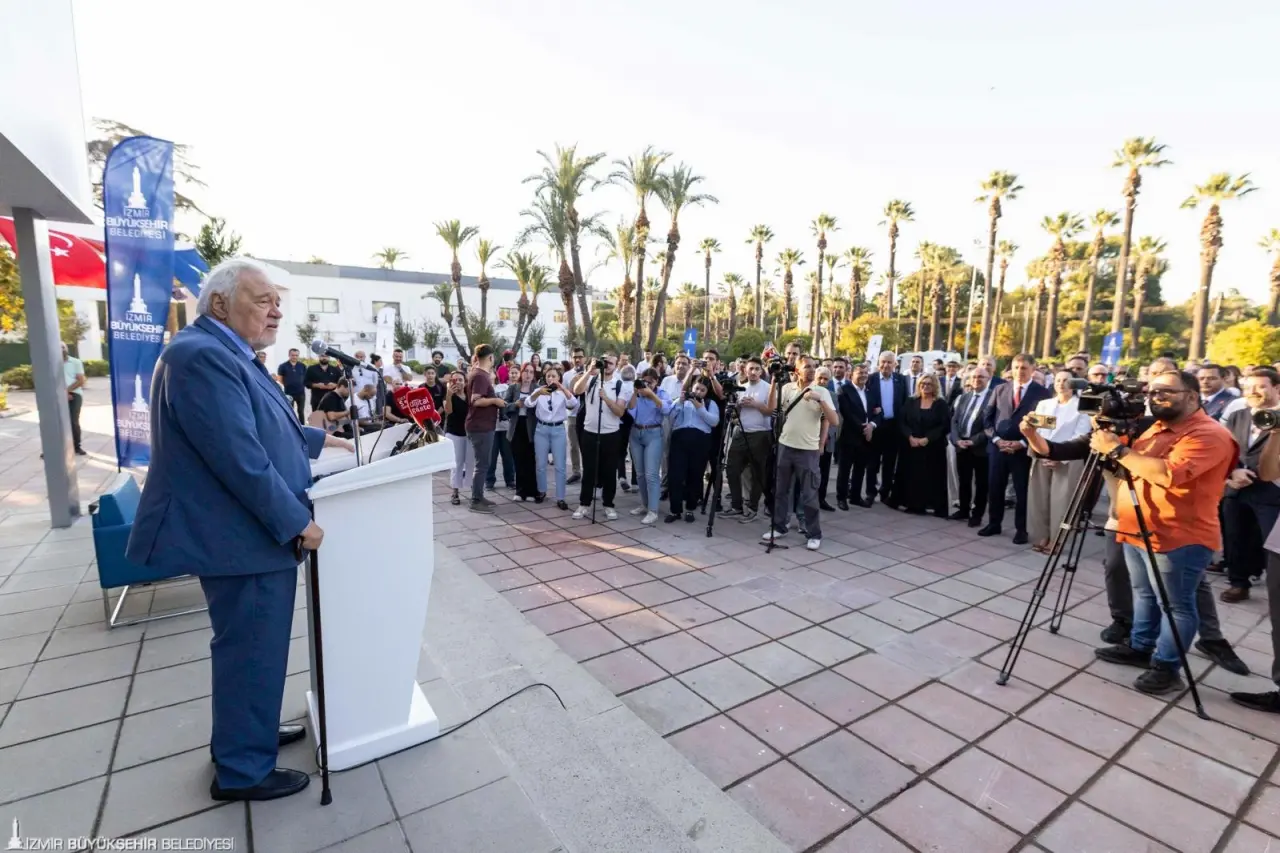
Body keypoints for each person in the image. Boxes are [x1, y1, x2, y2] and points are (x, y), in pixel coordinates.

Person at [126, 259, 353, 802]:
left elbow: (267, 421)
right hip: (242, 540)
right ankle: (243, 769)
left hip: (246, 537)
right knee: (250, 649)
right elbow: (239, 456)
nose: (276, 310)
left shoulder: (228, 354)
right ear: (222, 304)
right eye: (262, 300)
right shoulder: (200, 356)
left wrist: (328, 443)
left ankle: (246, 733)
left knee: (255, 649)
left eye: (278, 301)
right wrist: (296, 521)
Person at [1090, 369, 1239, 694]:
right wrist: (1112, 440)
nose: (1156, 397)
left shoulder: (1209, 434)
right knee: (1144, 595)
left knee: (1176, 606)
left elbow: (1168, 475)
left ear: (1191, 396)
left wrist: (1116, 449)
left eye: (1166, 392)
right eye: (1153, 391)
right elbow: (1133, 464)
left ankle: (1168, 667)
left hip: (1178, 536)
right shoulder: (1158, 427)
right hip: (1138, 527)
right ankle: (1141, 647)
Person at [763, 356, 838, 551]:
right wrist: (773, 383)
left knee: (809, 494)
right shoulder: (787, 388)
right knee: (781, 490)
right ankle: (779, 526)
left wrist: (819, 399)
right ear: (796, 370)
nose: (812, 370)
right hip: (785, 446)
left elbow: (834, 420)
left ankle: (814, 533)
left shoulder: (822, 391)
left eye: (814, 367)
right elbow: (771, 408)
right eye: (807, 367)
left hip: (808, 450)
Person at [1219, 368, 1280, 602]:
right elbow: (1226, 449)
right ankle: (1238, 583)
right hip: (1237, 489)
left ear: (1276, 388)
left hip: (1272, 492)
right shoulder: (1239, 415)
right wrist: (1233, 471)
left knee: (1271, 546)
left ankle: (1273, 587)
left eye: (1261, 386)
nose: (1253, 392)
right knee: (1235, 536)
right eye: (1249, 387)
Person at [979, 353, 1052, 544]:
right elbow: (987, 417)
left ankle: (1022, 529)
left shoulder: (1042, 393)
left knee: (1022, 492)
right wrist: (996, 439)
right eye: (1016, 367)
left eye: (1024, 368)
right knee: (995, 488)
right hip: (998, 448)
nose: (1019, 372)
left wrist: (1023, 443)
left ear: (1033, 369)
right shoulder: (1000, 389)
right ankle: (994, 523)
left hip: (1023, 450)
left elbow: (1044, 425)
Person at [1026, 370, 1091, 552]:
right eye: (1058, 380)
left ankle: (1058, 540)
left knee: (1061, 501)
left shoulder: (1082, 407)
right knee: (1039, 498)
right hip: (1042, 456)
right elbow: (1037, 430)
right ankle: (1041, 536)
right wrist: (1044, 453)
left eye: (1066, 380)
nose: (1061, 383)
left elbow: (1080, 435)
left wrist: (1059, 456)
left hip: (1068, 459)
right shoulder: (1044, 404)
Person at [571, 355, 632, 520]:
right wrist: (589, 371)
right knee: (589, 470)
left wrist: (606, 398)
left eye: (611, 363)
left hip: (611, 434)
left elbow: (620, 412)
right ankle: (584, 504)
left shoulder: (620, 385)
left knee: (609, 471)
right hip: (590, 432)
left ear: (616, 365)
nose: (607, 365)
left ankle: (608, 504)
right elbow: (576, 390)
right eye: (604, 362)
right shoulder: (591, 380)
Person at [889, 374, 951, 516]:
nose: (925, 386)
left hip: (932, 448)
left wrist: (927, 439)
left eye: (929, 384)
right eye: (923, 383)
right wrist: (910, 436)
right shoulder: (911, 401)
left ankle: (928, 505)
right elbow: (902, 421)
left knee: (929, 477)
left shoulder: (941, 404)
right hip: (911, 446)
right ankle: (910, 504)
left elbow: (944, 426)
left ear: (935, 386)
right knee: (910, 475)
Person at [725, 357, 775, 521]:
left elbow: (770, 412)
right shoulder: (741, 387)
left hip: (760, 433)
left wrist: (755, 404)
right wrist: (738, 406)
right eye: (750, 369)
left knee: (758, 473)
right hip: (741, 431)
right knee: (731, 468)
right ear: (745, 370)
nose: (753, 372)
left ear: (761, 371)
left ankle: (753, 508)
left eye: (756, 369)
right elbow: (734, 415)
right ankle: (736, 505)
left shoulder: (768, 388)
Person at [665, 376, 720, 523]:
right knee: (675, 476)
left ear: (706, 392)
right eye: (696, 388)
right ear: (691, 388)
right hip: (680, 439)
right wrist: (680, 403)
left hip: (700, 441)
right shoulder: (682, 400)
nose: (698, 392)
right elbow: (670, 418)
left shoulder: (709, 403)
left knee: (695, 475)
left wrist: (700, 408)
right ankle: (675, 510)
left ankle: (690, 508)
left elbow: (714, 421)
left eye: (702, 390)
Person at [628, 367, 672, 524]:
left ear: (656, 382)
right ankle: (645, 504)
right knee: (639, 473)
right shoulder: (638, 394)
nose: (646, 384)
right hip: (636, 433)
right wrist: (635, 391)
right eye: (644, 381)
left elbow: (666, 410)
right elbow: (631, 410)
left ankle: (653, 510)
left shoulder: (661, 394)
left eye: (650, 382)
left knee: (651, 474)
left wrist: (651, 394)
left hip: (654, 434)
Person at [950, 366, 993, 526]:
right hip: (962, 446)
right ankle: (963, 509)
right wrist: (956, 440)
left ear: (988, 379)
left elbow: (991, 426)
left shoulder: (992, 399)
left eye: (981, 377)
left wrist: (974, 440)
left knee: (981, 483)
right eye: (974, 377)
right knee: (964, 480)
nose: (977, 379)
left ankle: (977, 514)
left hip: (981, 448)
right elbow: (954, 421)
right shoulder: (963, 397)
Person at [531, 366, 577, 510]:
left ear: (559, 378)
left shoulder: (562, 393)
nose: (551, 379)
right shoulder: (540, 392)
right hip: (541, 429)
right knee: (540, 464)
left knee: (560, 465)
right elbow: (528, 403)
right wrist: (538, 392)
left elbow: (574, 403)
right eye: (548, 376)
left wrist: (562, 388)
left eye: (554, 376)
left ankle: (561, 497)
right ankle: (542, 491)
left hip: (558, 429)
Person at [465, 345, 504, 513]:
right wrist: (495, 401)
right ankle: (475, 500)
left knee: (483, 463)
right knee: (482, 465)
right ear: (490, 358)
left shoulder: (479, 374)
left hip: (482, 425)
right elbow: (476, 400)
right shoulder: (480, 376)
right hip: (480, 426)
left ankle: (479, 496)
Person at [835, 361, 879, 510]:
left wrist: (872, 425)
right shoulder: (844, 390)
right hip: (850, 435)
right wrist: (864, 427)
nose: (863, 376)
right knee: (845, 469)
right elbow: (847, 413)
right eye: (860, 373)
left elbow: (879, 411)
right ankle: (841, 498)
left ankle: (855, 496)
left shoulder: (870, 391)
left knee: (860, 468)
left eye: (865, 373)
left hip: (867, 438)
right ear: (851, 374)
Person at [869, 350, 908, 503]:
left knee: (890, 462)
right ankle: (870, 492)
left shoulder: (901, 380)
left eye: (889, 362)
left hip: (893, 426)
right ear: (879, 363)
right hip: (876, 426)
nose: (886, 365)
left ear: (895, 364)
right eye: (883, 362)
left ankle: (885, 492)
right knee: (872, 462)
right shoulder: (871, 379)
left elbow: (905, 402)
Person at [503, 363, 540, 501]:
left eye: (531, 372)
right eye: (526, 371)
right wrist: (515, 405)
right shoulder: (513, 388)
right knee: (518, 459)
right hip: (516, 426)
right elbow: (504, 406)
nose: (528, 374)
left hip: (531, 427)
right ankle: (520, 491)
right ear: (521, 373)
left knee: (530, 459)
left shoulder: (537, 388)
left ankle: (531, 491)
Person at [443, 371, 470, 505]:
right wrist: (449, 395)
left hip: (469, 433)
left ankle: (473, 490)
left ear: (465, 382)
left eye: (460, 380)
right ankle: (455, 492)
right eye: (455, 380)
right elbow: (448, 411)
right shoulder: (450, 396)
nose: (458, 383)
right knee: (457, 463)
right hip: (454, 433)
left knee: (470, 462)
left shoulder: (470, 395)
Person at [814, 366, 839, 511]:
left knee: (824, 472)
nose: (822, 381)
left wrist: (827, 437)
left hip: (827, 441)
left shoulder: (833, 396)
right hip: (808, 439)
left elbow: (835, 418)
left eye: (826, 379)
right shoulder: (807, 392)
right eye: (820, 378)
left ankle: (821, 499)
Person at [564, 347, 588, 484]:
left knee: (587, 445)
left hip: (589, 415)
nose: (577, 359)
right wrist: (573, 383)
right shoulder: (567, 375)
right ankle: (576, 472)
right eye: (575, 357)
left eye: (580, 356)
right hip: (573, 414)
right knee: (574, 445)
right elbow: (565, 397)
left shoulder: (591, 374)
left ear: (584, 358)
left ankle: (589, 471)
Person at [61, 342, 87, 455]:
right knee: (54, 422)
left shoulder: (75, 362)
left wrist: (67, 391)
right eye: (59, 347)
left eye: (63, 347)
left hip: (74, 394)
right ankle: (53, 447)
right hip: (57, 395)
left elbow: (80, 380)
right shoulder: (51, 363)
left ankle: (76, 446)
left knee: (73, 420)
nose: (61, 349)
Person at [276, 348, 307, 422]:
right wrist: (288, 384)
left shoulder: (302, 366)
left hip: (301, 393)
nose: (295, 357)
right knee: (290, 411)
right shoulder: (283, 366)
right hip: (289, 393)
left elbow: (306, 378)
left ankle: (303, 427)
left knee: (301, 411)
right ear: (289, 355)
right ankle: (292, 427)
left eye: (296, 355)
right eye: (293, 355)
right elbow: (280, 379)